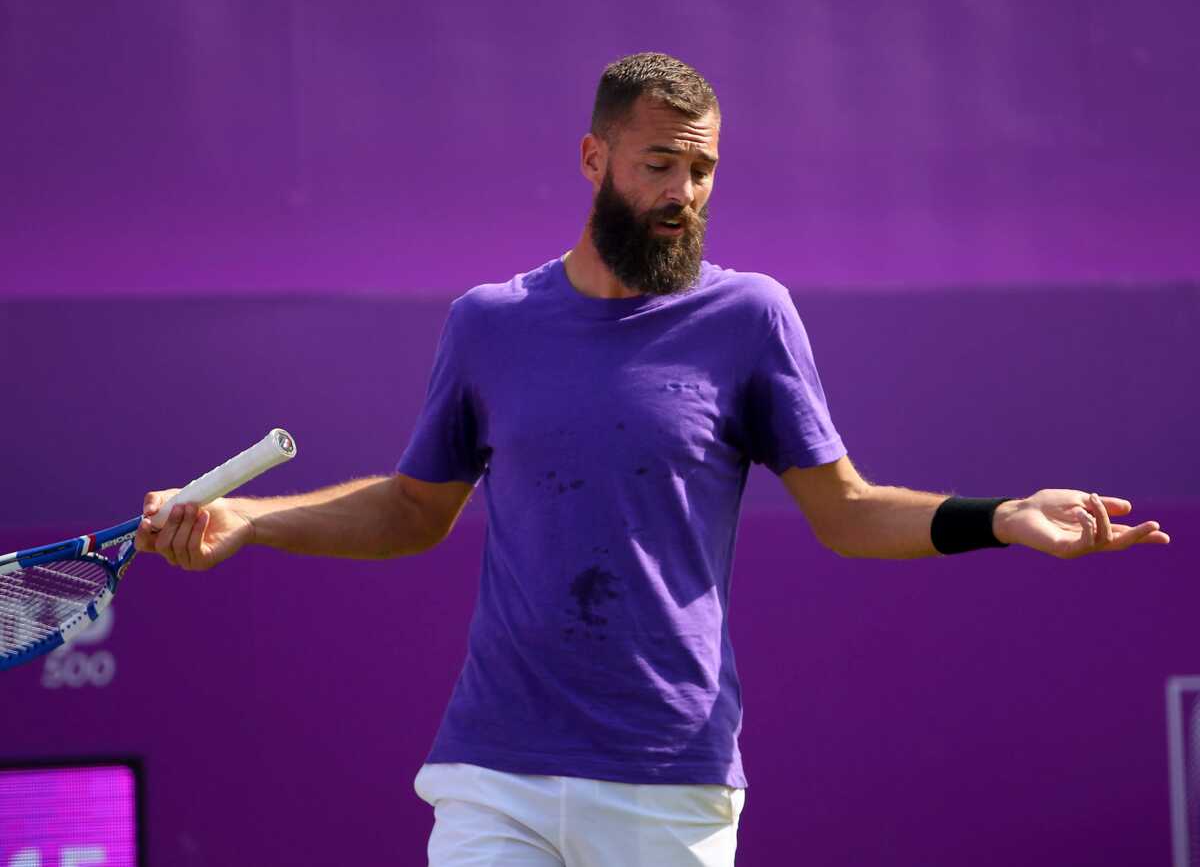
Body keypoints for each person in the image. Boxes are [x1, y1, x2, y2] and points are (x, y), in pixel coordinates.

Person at [135, 52, 1171, 866]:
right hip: (493, 768)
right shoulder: (488, 324)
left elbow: (848, 512)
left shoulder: (752, 318)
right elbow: (413, 510)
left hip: (669, 776)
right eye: (659, 164)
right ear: (594, 160)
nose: (685, 190)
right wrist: (250, 521)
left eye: (704, 168)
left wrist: (1002, 517)